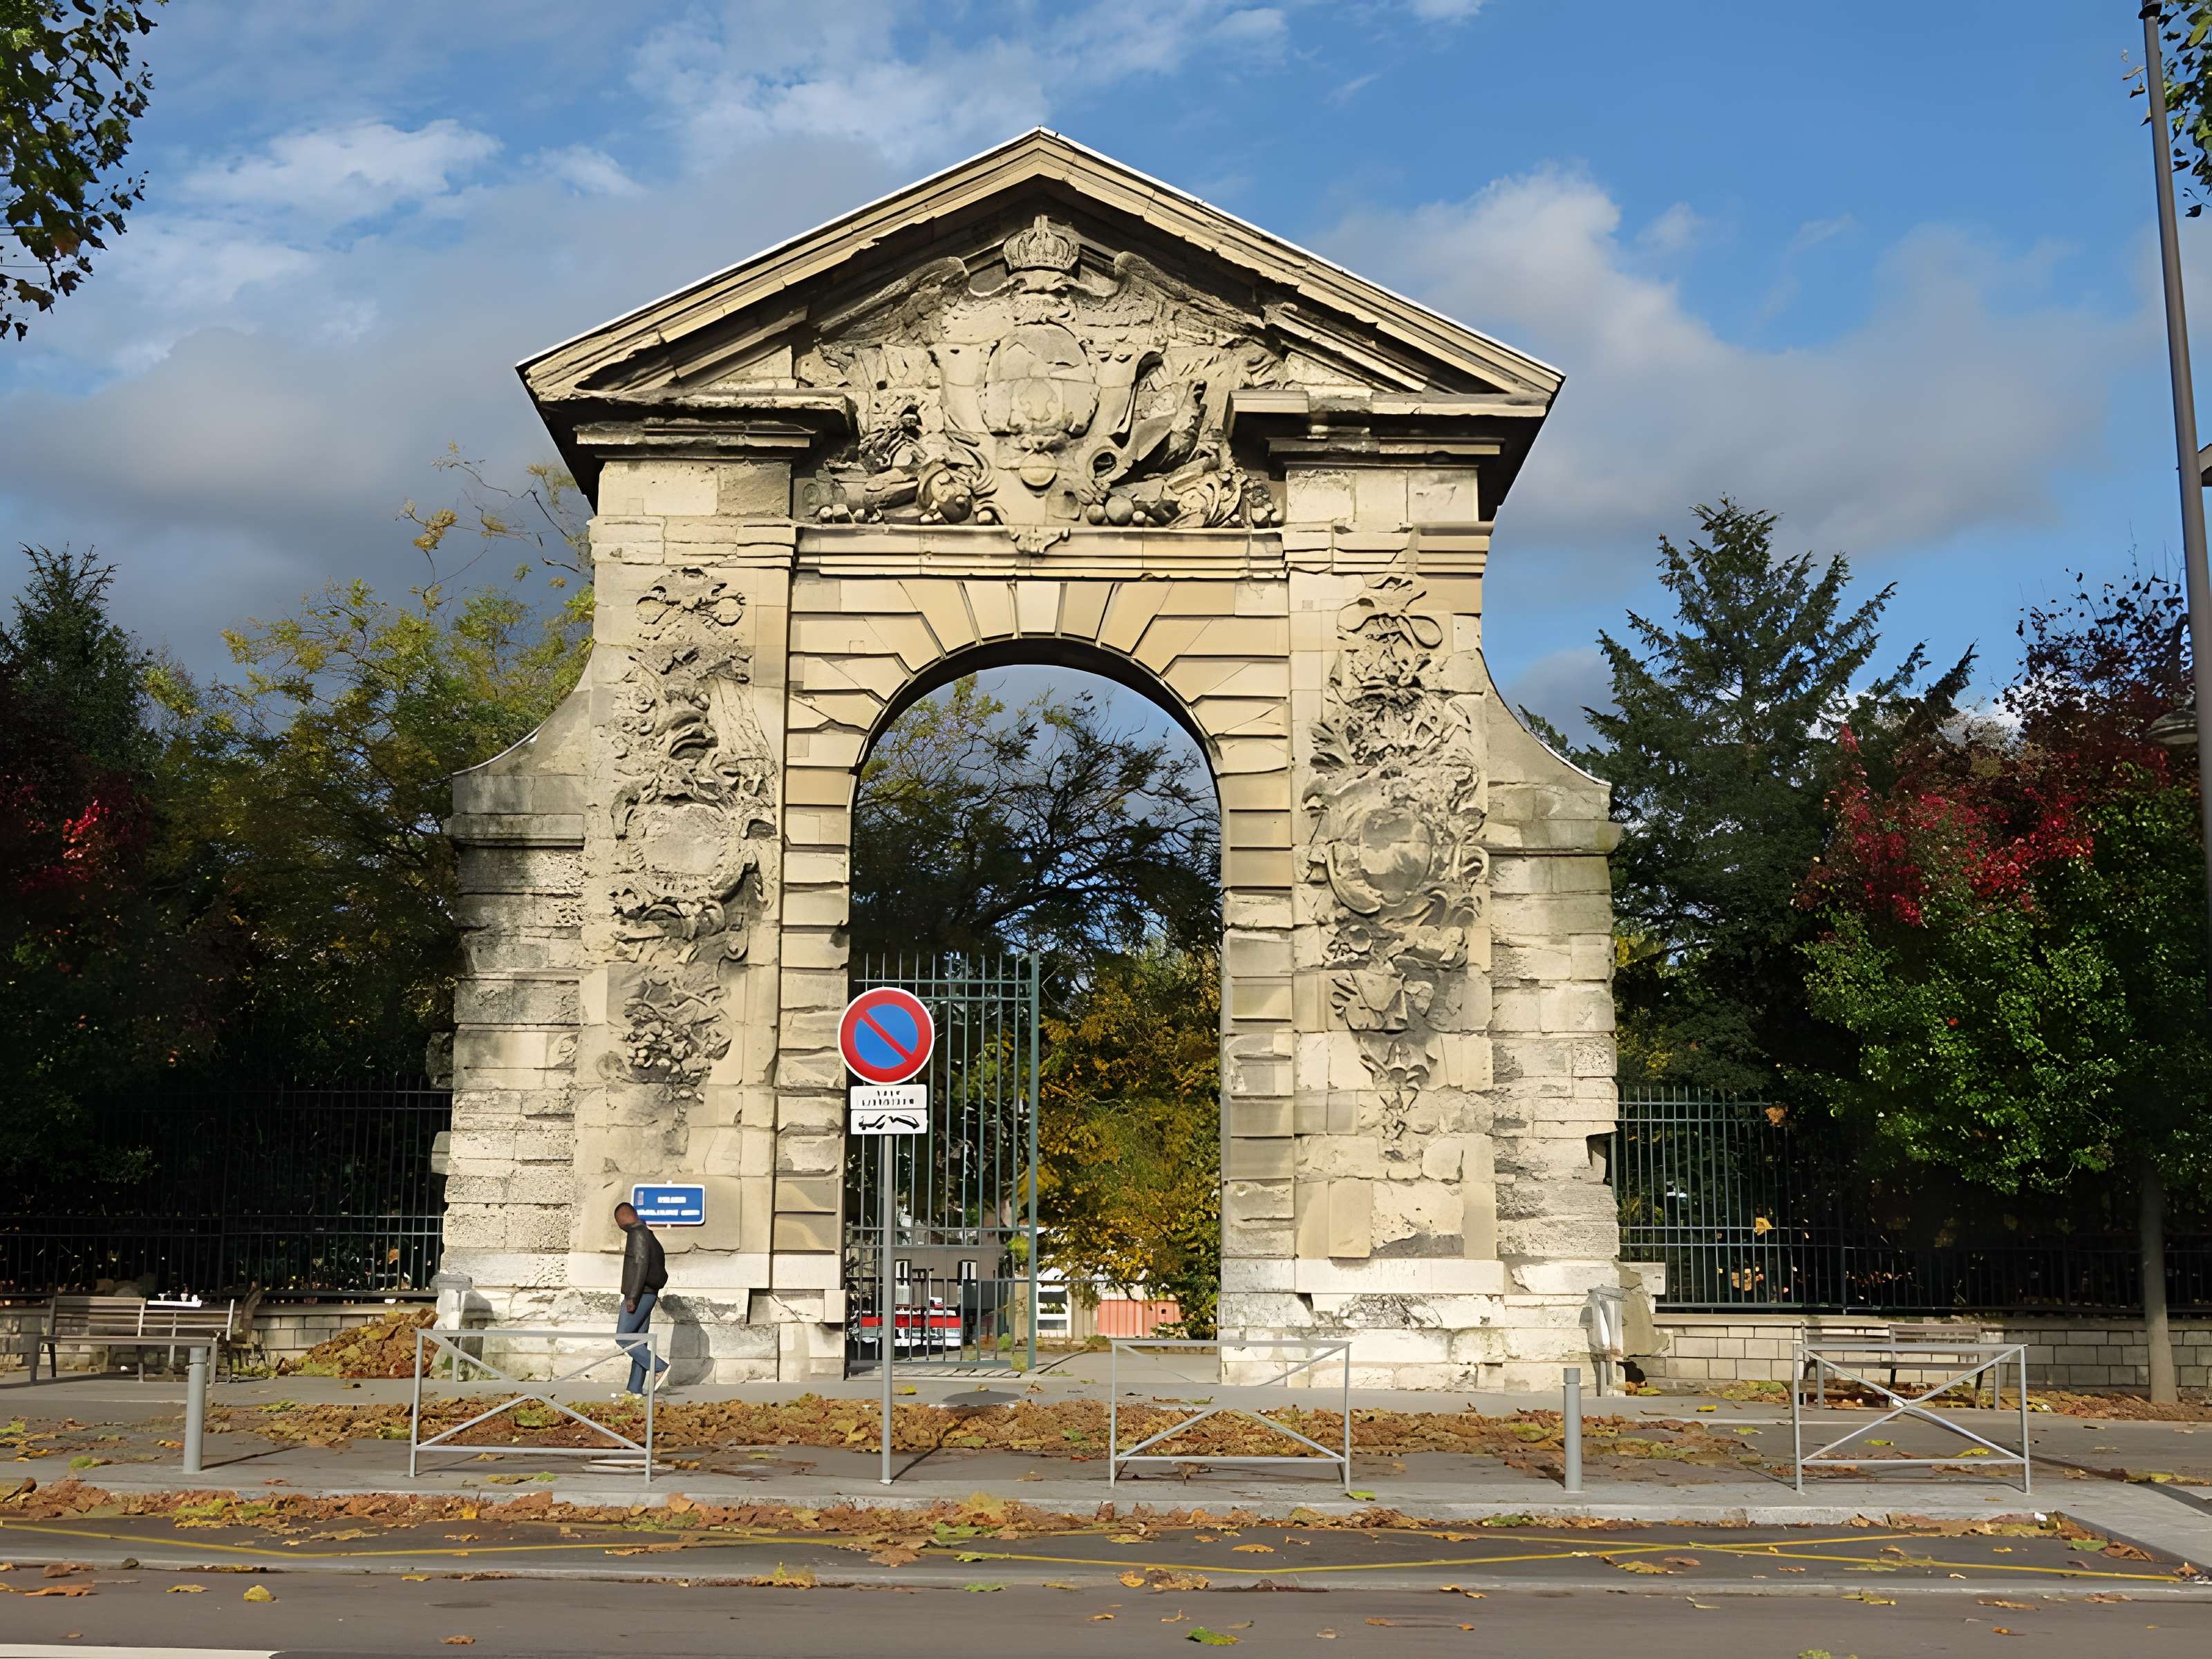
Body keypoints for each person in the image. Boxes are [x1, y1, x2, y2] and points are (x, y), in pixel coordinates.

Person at [613, 1200, 671, 1397]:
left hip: (639, 1294)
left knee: (623, 1337)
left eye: (618, 1222)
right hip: (648, 1293)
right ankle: (634, 1389)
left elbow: (639, 1264)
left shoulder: (637, 1234)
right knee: (639, 1341)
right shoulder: (650, 1236)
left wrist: (632, 1297)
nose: (619, 1227)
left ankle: (659, 1367)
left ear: (623, 1218)